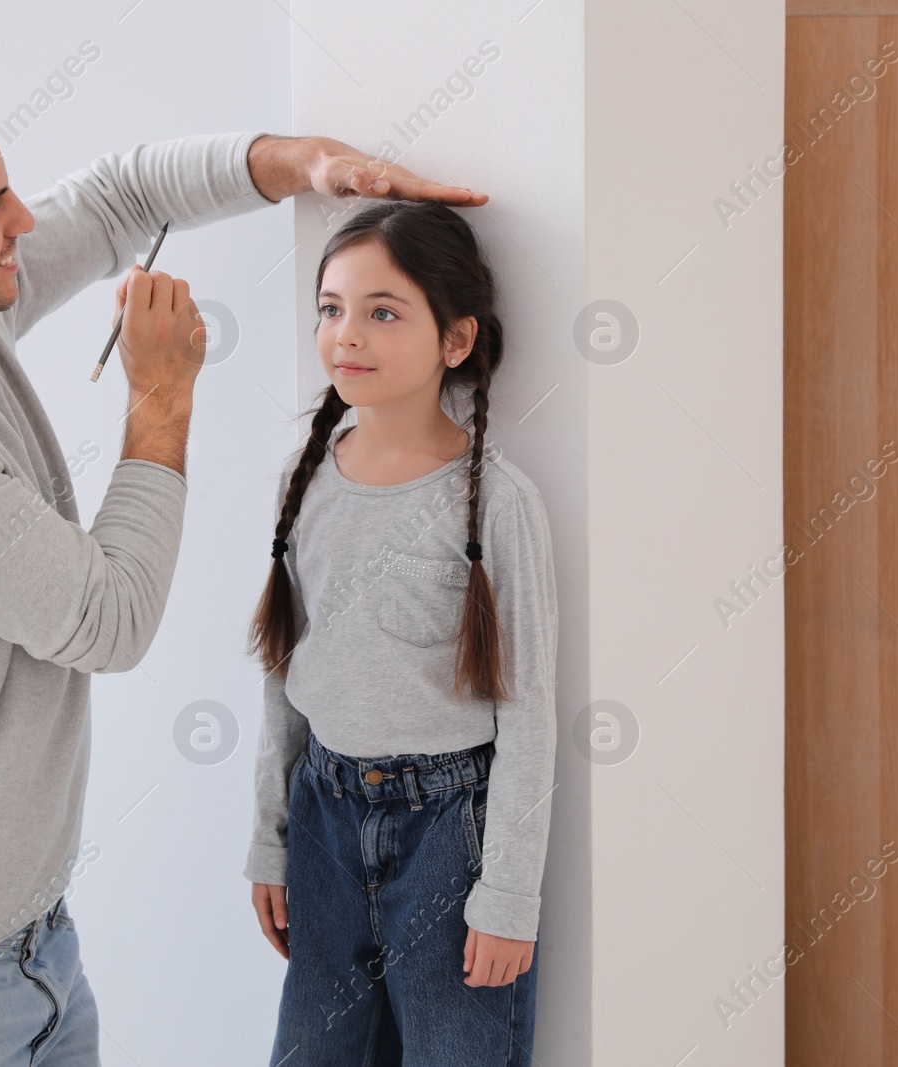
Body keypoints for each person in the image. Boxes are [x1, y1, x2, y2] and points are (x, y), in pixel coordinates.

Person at [0, 58, 487, 1066]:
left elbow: (121, 194)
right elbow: (109, 618)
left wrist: (307, 163)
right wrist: (161, 400)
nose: (22, 222)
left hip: (22, 952)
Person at [244, 199, 559, 1066]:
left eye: (384, 312)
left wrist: (508, 899)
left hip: (448, 833)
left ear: (455, 341)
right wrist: (270, 841)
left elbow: (529, 714)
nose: (349, 335)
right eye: (332, 308)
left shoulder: (499, 502)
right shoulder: (303, 478)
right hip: (322, 820)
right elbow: (281, 681)